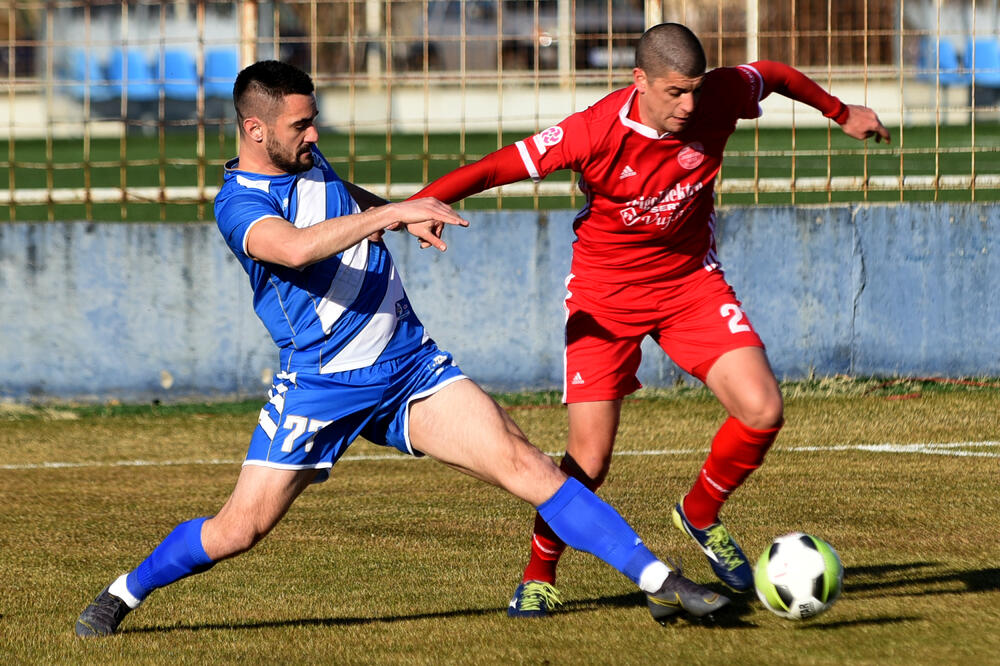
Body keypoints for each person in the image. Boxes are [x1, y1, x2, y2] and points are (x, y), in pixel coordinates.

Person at [74, 59, 730, 638]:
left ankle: (661, 582)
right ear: (256, 132)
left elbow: (337, 197)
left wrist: (395, 207)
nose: (314, 136)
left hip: (409, 367)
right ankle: (123, 592)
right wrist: (396, 212)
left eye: (314, 122)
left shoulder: (304, 158)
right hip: (321, 386)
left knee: (524, 463)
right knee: (238, 530)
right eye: (301, 126)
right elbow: (296, 247)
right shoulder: (239, 205)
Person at [411, 22, 891, 617]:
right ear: (639, 80)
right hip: (604, 298)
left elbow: (774, 74)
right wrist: (415, 207)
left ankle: (700, 515)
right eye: (674, 93)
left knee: (763, 409)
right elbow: (493, 168)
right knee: (588, 462)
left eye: (695, 90)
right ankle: (539, 576)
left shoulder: (717, 94)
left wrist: (840, 111)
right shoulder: (591, 131)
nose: (689, 106)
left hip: (690, 284)